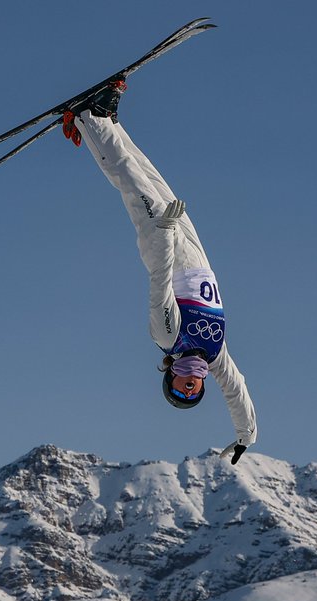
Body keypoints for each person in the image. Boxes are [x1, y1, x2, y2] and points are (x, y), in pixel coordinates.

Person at [62, 78, 257, 464]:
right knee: (153, 179)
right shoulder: (216, 358)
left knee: (132, 184)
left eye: (180, 390)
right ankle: (110, 123)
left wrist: (165, 233)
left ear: (171, 377)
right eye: (194, 392)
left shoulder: (168, 336)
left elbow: (160, 284)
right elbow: (238, 392)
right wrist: (245, 436)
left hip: (164, 247)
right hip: (198, 258)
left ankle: (88, 117)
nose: (190, 388)